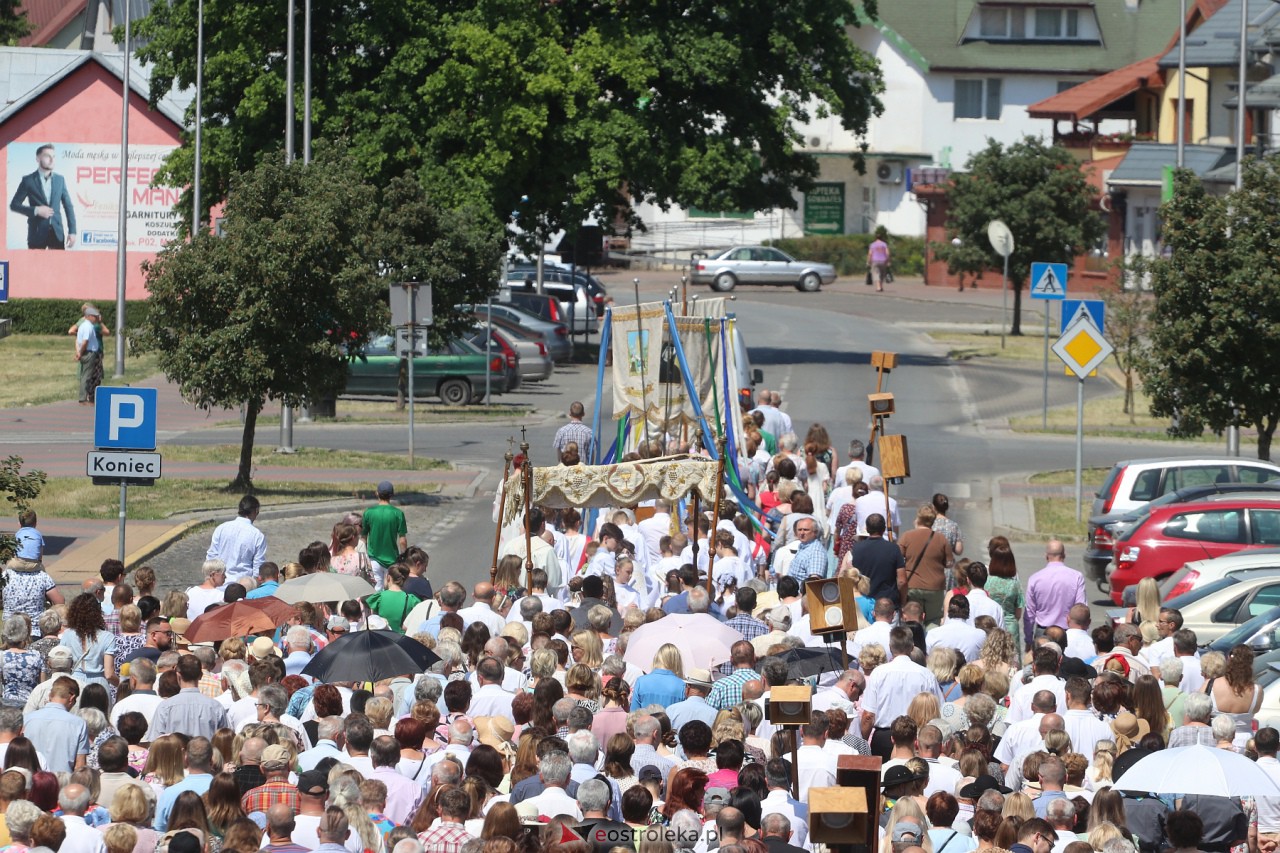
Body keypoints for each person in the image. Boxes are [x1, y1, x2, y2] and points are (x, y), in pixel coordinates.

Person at [9, 143, 76, 250]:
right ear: (38, 158)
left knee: (57, 266)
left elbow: (68, 206)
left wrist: (72, 231)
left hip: (57, 234)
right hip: (36, 234)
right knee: (35, 266)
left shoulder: (60, 180)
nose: (51, 160)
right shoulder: (28, 181)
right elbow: (14, 205)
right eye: (47, 156)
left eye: (53, 156)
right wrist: (36, 210)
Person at [1023, 541, 1085, 648]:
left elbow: (1029, 613)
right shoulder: (1076, 577)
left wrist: (1028, 640)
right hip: (1067, 632)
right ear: (1064, 555)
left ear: (1046, 556)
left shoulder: (1035, 578)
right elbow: (1081, 609)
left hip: (1043, 633)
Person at [206, 496, 267, 585]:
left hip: (219, 583)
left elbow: (211, 556)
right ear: (256, 511)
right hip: (243, 586)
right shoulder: (257, 536)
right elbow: (258, 567)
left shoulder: (221, 528)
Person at [364, 481, 408, 591]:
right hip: (392, 559)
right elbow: (402, 540)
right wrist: (403, 557)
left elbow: (363, 537)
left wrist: (364, 556)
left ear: (377, 493)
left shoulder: (369, 512)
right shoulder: (398, 513)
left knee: (376, 590)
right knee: (392, 588)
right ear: (392, 495)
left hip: (373, 558)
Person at [74, 305, 104, 405]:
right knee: (87, 376)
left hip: (87, 352)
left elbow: (77, 341)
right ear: (89, 316)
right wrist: (81, 353)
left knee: (87, 375)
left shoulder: (84, 326)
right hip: (89, 352)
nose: (96, 318)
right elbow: (85, 342)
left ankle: (85, 397)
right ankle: (83, 398)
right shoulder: (87, 327)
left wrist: (78, 352)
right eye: (95, 316)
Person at [867, 227, 890, 292]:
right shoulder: (884, 244)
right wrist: (888, 261)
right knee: (882, 274)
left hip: (875, 260)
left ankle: (878, 287)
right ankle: (881, 286)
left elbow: (870, 254)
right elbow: (887, 253)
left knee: (876, 273)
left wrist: (868, 261)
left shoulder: (872, 245)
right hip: (883, 261)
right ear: (882, 238)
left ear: (875, 238)